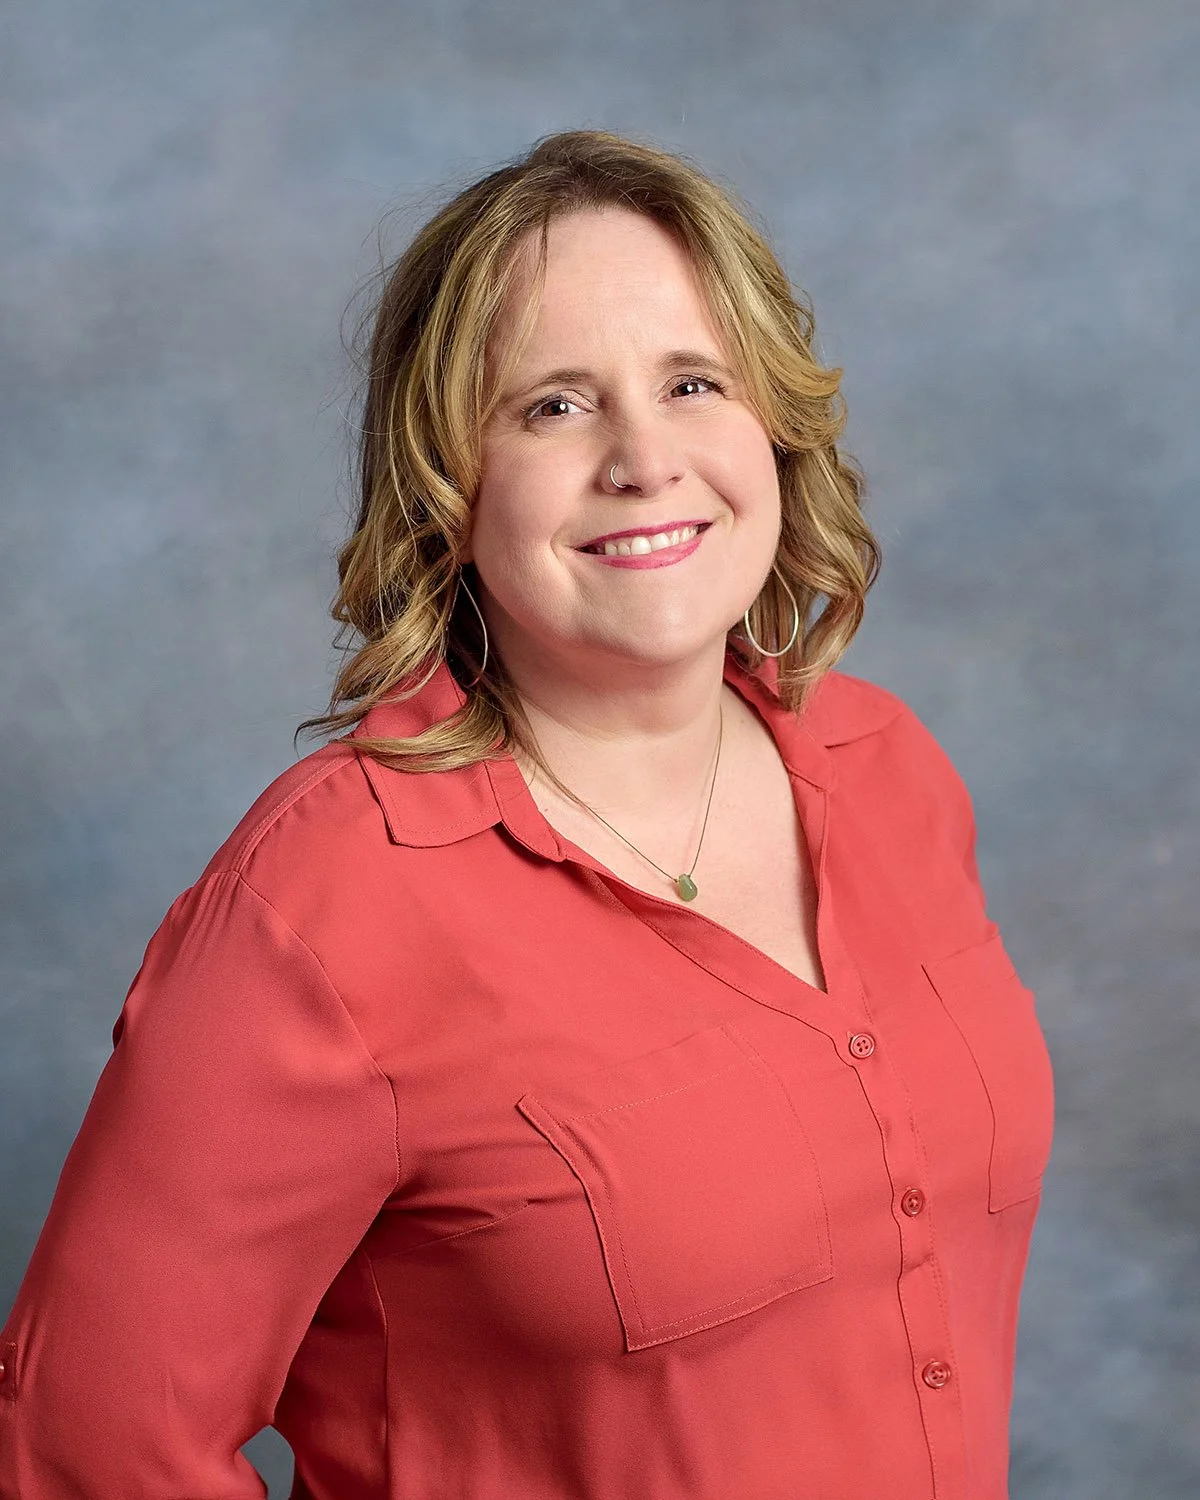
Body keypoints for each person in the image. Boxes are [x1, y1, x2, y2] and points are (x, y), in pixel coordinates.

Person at [0, 129, 1054, 1500]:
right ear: (449, 485)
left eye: (692, 383)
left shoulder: (888, 766)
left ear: (773, 426)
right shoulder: (324, 908)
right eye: (554, 407)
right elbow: (84, 1442)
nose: (644, 459)